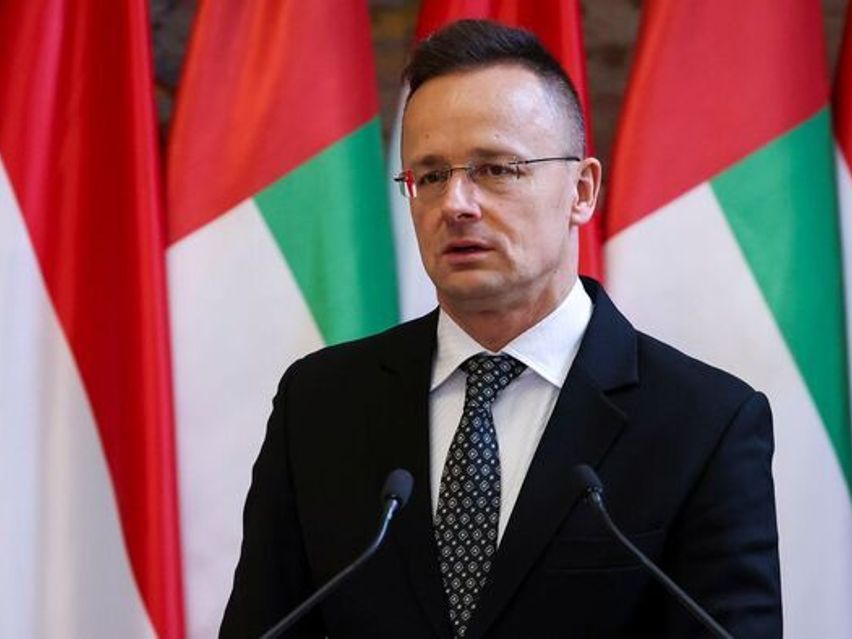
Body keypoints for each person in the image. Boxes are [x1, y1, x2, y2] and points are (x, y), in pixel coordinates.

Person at [220, 19, 782, 639]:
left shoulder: (704, 423)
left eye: (495, 169)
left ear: (582, 190)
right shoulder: (320, 403)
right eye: (430, 175)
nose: (455, 204)